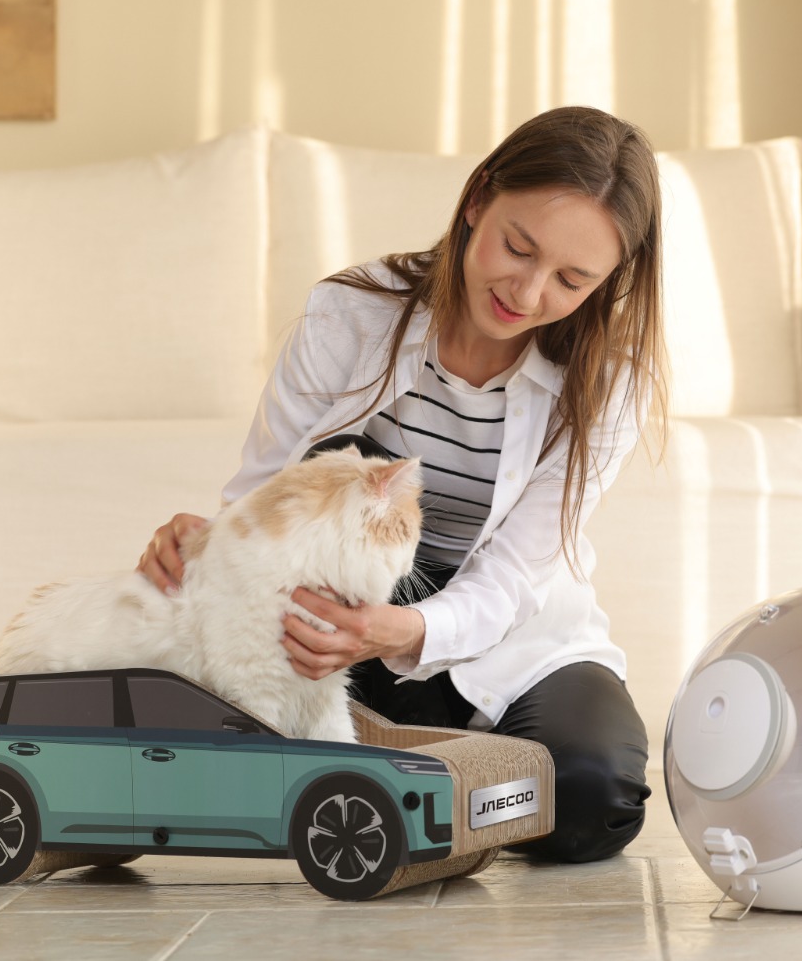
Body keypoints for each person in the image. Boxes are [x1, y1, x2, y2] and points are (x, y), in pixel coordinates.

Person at [136, 106, 668, 862]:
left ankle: (395, 762)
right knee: (175, 742)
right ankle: (424, 771)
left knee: (591, 800)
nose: (527, 292)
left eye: (572, 280)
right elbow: (266, 491)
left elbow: (515, 574)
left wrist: (407, 632)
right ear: (478, 199)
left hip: (504, 618)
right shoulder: (351, 312)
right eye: (518, 247)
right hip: (341, 607)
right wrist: (208, 544)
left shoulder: (609, 382)